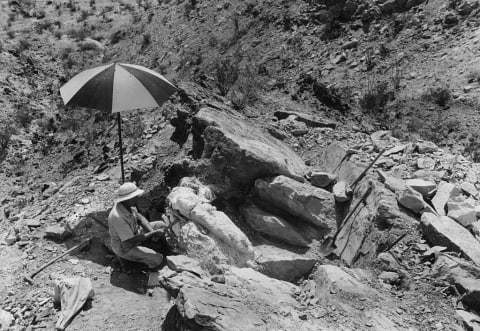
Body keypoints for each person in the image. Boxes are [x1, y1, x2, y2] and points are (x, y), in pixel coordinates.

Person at [108, 182, 167, 269]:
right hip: (125, 247)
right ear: (127, 199)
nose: (138, 198)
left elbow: (140, 218)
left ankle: (159, 247)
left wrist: (152, 231)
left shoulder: (129, 205)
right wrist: (153, 234)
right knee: (158, 259)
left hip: (135, 233)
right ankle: (147, 266)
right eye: (135, 196)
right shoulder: (118, 217)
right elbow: (131, 239)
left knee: (161, 225)